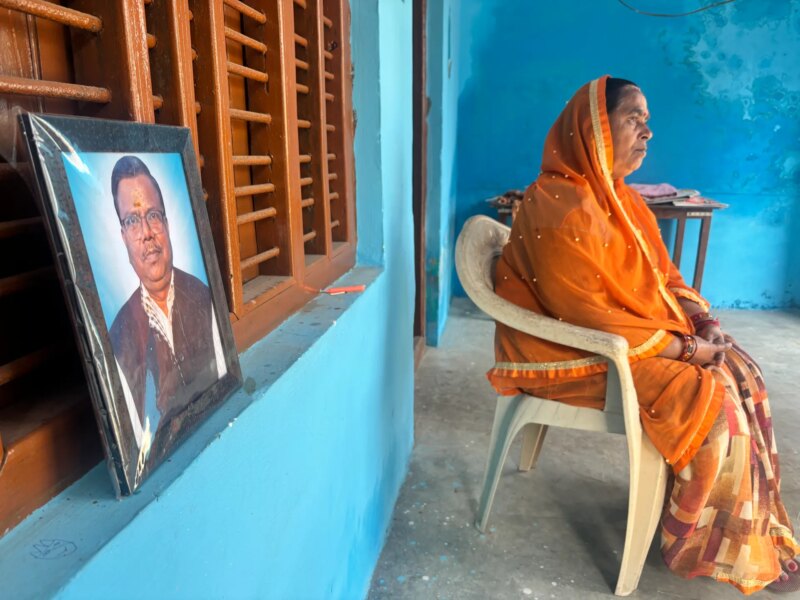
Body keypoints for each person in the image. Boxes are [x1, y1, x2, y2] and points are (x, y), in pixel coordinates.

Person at [487, 75, 800, 593]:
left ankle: (749, 528)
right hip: (571, 351)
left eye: (647, 122)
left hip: (623, 338)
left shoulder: (623, 200)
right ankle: (704, 543)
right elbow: (587, 315)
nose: (647, 132)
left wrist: (702, 322)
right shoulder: (558, 204)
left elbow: (664, 277)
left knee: (742, 370)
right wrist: (685, 349)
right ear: (593, 127)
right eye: (633, 117)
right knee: (710, 399)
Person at [108, 155, 226, 461]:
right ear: (123, 237)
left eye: (153, 215)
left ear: (167, 224)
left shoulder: (204, 296)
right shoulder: (118, 337)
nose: (146, 232)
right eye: (132, 221)